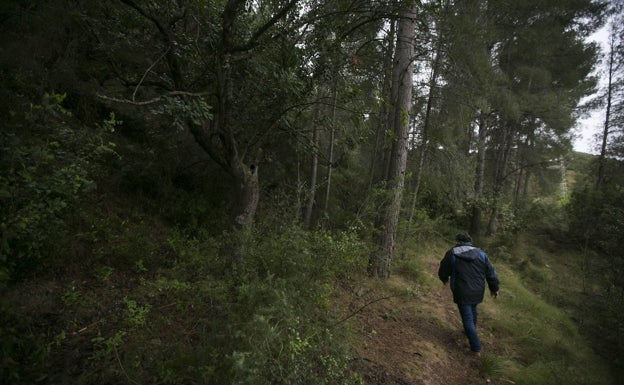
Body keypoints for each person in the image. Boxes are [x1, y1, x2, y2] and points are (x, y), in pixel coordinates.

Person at [438, 232, 499, 355]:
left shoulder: (452, 253)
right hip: (478, 290)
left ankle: (476, 348)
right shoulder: (481, 254)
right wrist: (494, 288)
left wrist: (444, 279)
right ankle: (470, 331)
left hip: (461, 290)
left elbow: (444, 269)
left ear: (457, 241)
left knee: (467, 318)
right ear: (470, 241)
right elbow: (491, 273)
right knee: (472, 309)